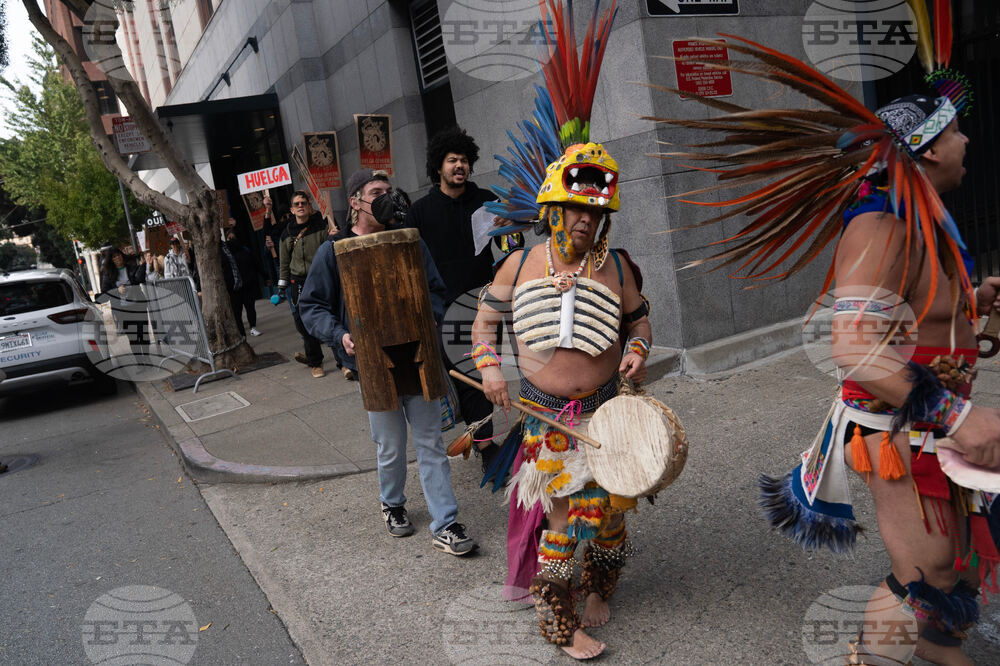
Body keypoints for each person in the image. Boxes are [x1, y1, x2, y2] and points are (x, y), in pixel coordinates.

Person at [471, 143, 652, 660]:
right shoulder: (519, 264)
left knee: (613, 512)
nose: (585, 221)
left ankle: (598, 584)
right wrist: (489, 369)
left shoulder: (617, 267)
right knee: (563, 516)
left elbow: (639, 320)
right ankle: (557, 621)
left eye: (595, 213)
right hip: (547, 417)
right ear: (552, 210)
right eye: (576, 210)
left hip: (607, 411)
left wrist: (637, 348)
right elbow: (483, 325)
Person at [299, 168, 477, 557]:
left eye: (389, 190)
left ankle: (445, 522)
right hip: (372, 364)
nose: (387, 197)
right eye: (377, 191)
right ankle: (393, 503)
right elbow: (311, 306)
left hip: (417, 356)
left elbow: (435, 289)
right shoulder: (334, 251)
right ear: (355, 202)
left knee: (430, 441)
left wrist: (430, 315)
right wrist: (338, 334)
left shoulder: (410, 240)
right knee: (391, 445)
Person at [407, 126, 521, 471]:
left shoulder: (489, 201)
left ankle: (501, 437)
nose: (460, 165)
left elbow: (512, 250)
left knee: (497, 370)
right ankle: (487, 446)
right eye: (452, 160)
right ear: (438, 166)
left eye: (464, 160)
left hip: (490, 304)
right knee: (472, 378)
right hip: (447, 310)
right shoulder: (421, 212)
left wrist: (511, 224)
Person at [277, 190, 329, 378]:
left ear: (309, 206)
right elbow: (284, 263)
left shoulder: (322, 227)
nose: (300, 206)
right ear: (292, 209)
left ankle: (344, 362)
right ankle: (316, 363)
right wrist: (282, 287)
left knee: (330, 317)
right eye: (297, 204)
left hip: (321, 278)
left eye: (303, 203)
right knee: (303, 323)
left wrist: (335, 235)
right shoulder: (286, 235)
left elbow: (331, 253)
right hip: (298, 282)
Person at [225, 223, 268, 337]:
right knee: (237, 311)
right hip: (235, 287)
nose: (231, 241)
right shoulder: (227, 255)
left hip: (248, 284)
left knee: (250, 308)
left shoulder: (245, 250)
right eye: (229, 239)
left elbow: (256, 264)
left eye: (233, 238)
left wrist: (265, 276)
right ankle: (242, 333)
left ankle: (252, 327)